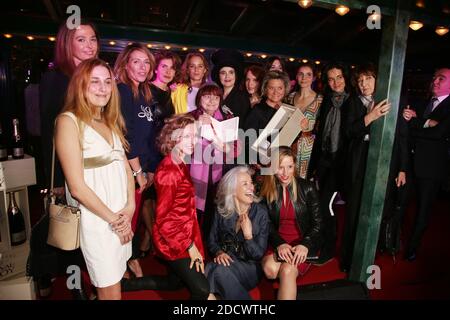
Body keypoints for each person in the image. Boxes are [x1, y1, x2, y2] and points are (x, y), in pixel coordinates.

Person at [55, 58, 134, 300]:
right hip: (98, 220)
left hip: (120, 215)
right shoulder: (68, 121)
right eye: (94, 82)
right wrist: (114, 221)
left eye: (107, 82)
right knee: (107, 285)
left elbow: (126, 169)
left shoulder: (111, 121)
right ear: (80, 85)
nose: (102, 88)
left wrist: (129, 209)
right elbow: (77, 187)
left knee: (115, 279)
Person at [35, 20, 99, 299]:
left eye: (93, 39)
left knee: (91, 227)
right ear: (66, 43)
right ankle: (76, 290)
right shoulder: (55, 78)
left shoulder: (94, 75)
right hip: (68, 168)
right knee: (72, 227)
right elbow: (49, 131)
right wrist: (59, 181)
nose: (89, 45)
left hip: (94, 165)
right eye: (81, 39)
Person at [152, 114, 212, 300]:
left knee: (175, 283)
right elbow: (163, 219)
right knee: (202, 291)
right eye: (186, 136)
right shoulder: (169, 171)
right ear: (173, 137)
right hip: (174, 239)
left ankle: (125, 286)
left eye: (195, 136)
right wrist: (190, 246)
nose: (193, 141)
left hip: (185, 231)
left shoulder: (180, 160)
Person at [341, 64, 391, 272]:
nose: (364, 84)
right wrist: (370, 116)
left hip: (381, 164)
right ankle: (347, 260)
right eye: (360, 81)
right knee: (353, 213)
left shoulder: (387, 101)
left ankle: (371, 254)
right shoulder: (351, 103)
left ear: (377, 80)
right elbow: (349, 132)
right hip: (358, 165)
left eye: (368, 79)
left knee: (376, 211)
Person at [114, 43, 156, 277]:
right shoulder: (122, 90)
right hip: (128, 168)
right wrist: (138, 171)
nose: (142, 66)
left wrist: (148, 168)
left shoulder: (144, 92)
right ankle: (122, 266)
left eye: (146, 62)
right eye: (136, 61)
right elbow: (126, 134)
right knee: (125, 218)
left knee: (133, 218)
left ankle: (127, 260)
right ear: (125, 64)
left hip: (142, 166)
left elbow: (146, 135)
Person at [260, 146, 322, 300]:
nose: (285, 173)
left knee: (287, 271)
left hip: (302, 244)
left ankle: (290, 269)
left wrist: (305, 244)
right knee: (270, 270)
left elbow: (318, 224)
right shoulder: (268, 189)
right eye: (280, 167)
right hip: (279, 243)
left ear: (295, 166)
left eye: (289, 167)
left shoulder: (307, 188)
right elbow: (266, 224)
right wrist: (279, 243)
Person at [402, 67, 450, 261]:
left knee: (423, 211)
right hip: (409, 164)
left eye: (441, 78)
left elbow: (440, 133)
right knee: (400, 204)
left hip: (431, 168)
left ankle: (411, 249)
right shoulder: (423, 102)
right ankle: (392, 241)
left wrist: (417, 122)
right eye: (434, 77)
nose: (435, 81)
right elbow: (409, 127)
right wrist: (427, 123)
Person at [136, 50, 180, 256]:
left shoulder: (171, 93)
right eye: (164, 66)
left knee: (159, 198)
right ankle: (149, 235)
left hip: (164, 151)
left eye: (172, 67)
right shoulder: (145, 89)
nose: (168, 71)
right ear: (156, 68)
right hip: (147, 150)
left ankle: (151, 235)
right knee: (146, 196)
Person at [205, 166, 269, 300]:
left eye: (251, 183)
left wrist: (248, 236)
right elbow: (211, 241)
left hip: (250, 268)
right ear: (232, 190)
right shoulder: (221, 210)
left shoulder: (260, 213)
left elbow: (258, 254)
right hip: (225, 262)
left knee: (212, 270)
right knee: (210, 269)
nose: (251, 187)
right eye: (245, 184)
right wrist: (219, 252)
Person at [308, 62, 350, 264]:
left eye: (339, 77)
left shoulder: (353, 102)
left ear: (346, 78)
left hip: (340, 163)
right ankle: (320, 243)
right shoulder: (327, 100)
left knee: (327, 206)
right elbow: (321, 132)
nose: (335, 83)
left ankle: (329, 249)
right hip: (324, 159)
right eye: (331, 79)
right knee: (319, 205)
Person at [189, 84, 238, 239]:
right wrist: (197, 125)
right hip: (194, 173)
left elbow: (237, 148)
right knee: (193, 212)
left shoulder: (227, 118)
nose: (212, 101)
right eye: (207, 96)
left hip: (218, 172)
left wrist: (226, 148)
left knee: (213, 210)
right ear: (199, 99)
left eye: (216, 97)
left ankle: (208, 243)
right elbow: (178, 143)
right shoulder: (190, 117)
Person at [285, 62, 323, 179]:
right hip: (289, 143)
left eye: (308, 75)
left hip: (308, 147)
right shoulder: (290, 97)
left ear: (314, 78)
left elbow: (322, 127)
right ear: (296, 76)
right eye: (301, 74)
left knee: (303, 181)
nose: (304, 78)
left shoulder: (320, 100)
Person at [211, 49, 250, 126]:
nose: (227, 76)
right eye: (223, 73)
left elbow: (244, 125)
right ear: (218, 76)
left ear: (236, 75)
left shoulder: (242, 97)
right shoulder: (215, 95)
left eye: (231, 72)